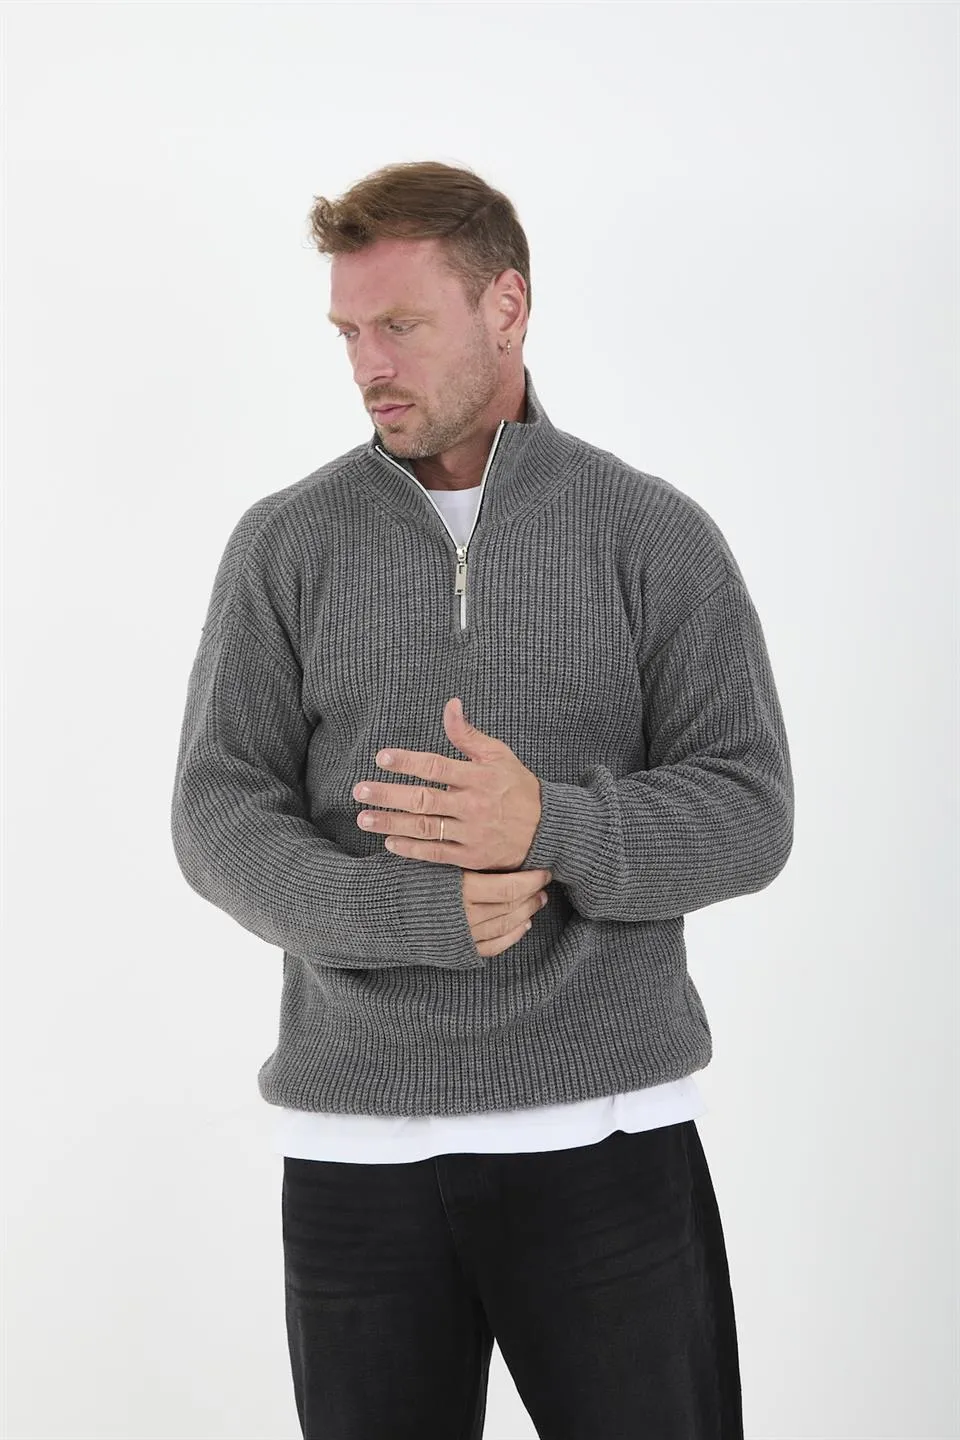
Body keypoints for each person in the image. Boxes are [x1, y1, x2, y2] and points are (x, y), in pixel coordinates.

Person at [170, 159, 794, 1440]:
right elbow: (217, 815)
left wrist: (549, 825)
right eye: (349, 331)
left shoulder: (652, 533)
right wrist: (412, 916)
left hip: (606, 1141)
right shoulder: (284, 544)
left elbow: (749, 809)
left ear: (507, 306)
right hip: (357, 1154)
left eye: (401, 324)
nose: (368, 364)